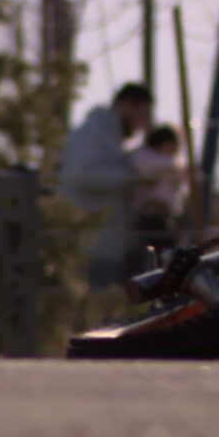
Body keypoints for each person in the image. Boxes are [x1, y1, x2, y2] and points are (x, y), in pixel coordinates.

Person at [59, 82, 153, 290]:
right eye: (143, 115)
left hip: (107, 250)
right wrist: (132, 175)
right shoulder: (90, 134)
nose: (142, 125)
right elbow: (84, 176)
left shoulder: (111, 140)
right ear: (126, 106)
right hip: (90, 250)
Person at [129, 125, 185, 256]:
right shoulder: (145, 158)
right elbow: (170, 164)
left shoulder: (163, 163)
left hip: (166, 219)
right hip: (150, 218)